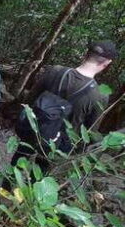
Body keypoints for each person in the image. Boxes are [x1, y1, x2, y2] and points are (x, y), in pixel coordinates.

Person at [10, 40, 118, 170]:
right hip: (58, 144)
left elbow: (29, 100)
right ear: (106, 63)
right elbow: (90, 131)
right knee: (39, 177)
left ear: (86, 54)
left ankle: (5, 187)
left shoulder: (55, 71)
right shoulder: (100, 95)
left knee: (16, 166)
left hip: (34, 128)